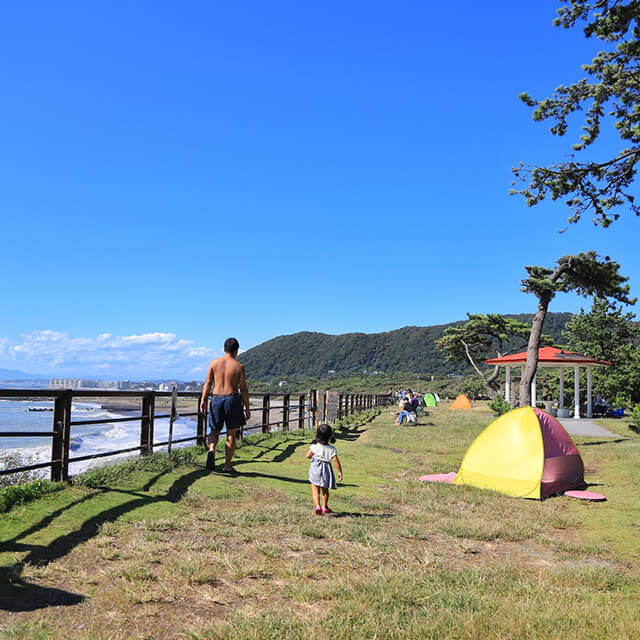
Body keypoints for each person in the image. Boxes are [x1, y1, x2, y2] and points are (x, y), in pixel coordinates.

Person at [200, 337, 250, 473]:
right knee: (231, 433)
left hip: (216, 398)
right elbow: (243, 389)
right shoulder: (239, 366)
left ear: (224, 349)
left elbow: (208, 383)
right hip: (231, 399)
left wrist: (203, 399)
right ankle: (227, 465)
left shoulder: (214, 363)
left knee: (214, 429)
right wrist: (247, 408)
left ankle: (211, 449)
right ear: (236, 351)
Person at [306, 424, 343, 515]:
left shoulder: (314, 446)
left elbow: (308, 456)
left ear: (318, 435)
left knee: (315, 488)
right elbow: (335, 461)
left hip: (315, 469)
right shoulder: (331, 449)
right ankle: (324, 506)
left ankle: (317, 506)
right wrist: (340, 472)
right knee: (325, 490)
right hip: (326, 470)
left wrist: (315, 458)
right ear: (330, 436)